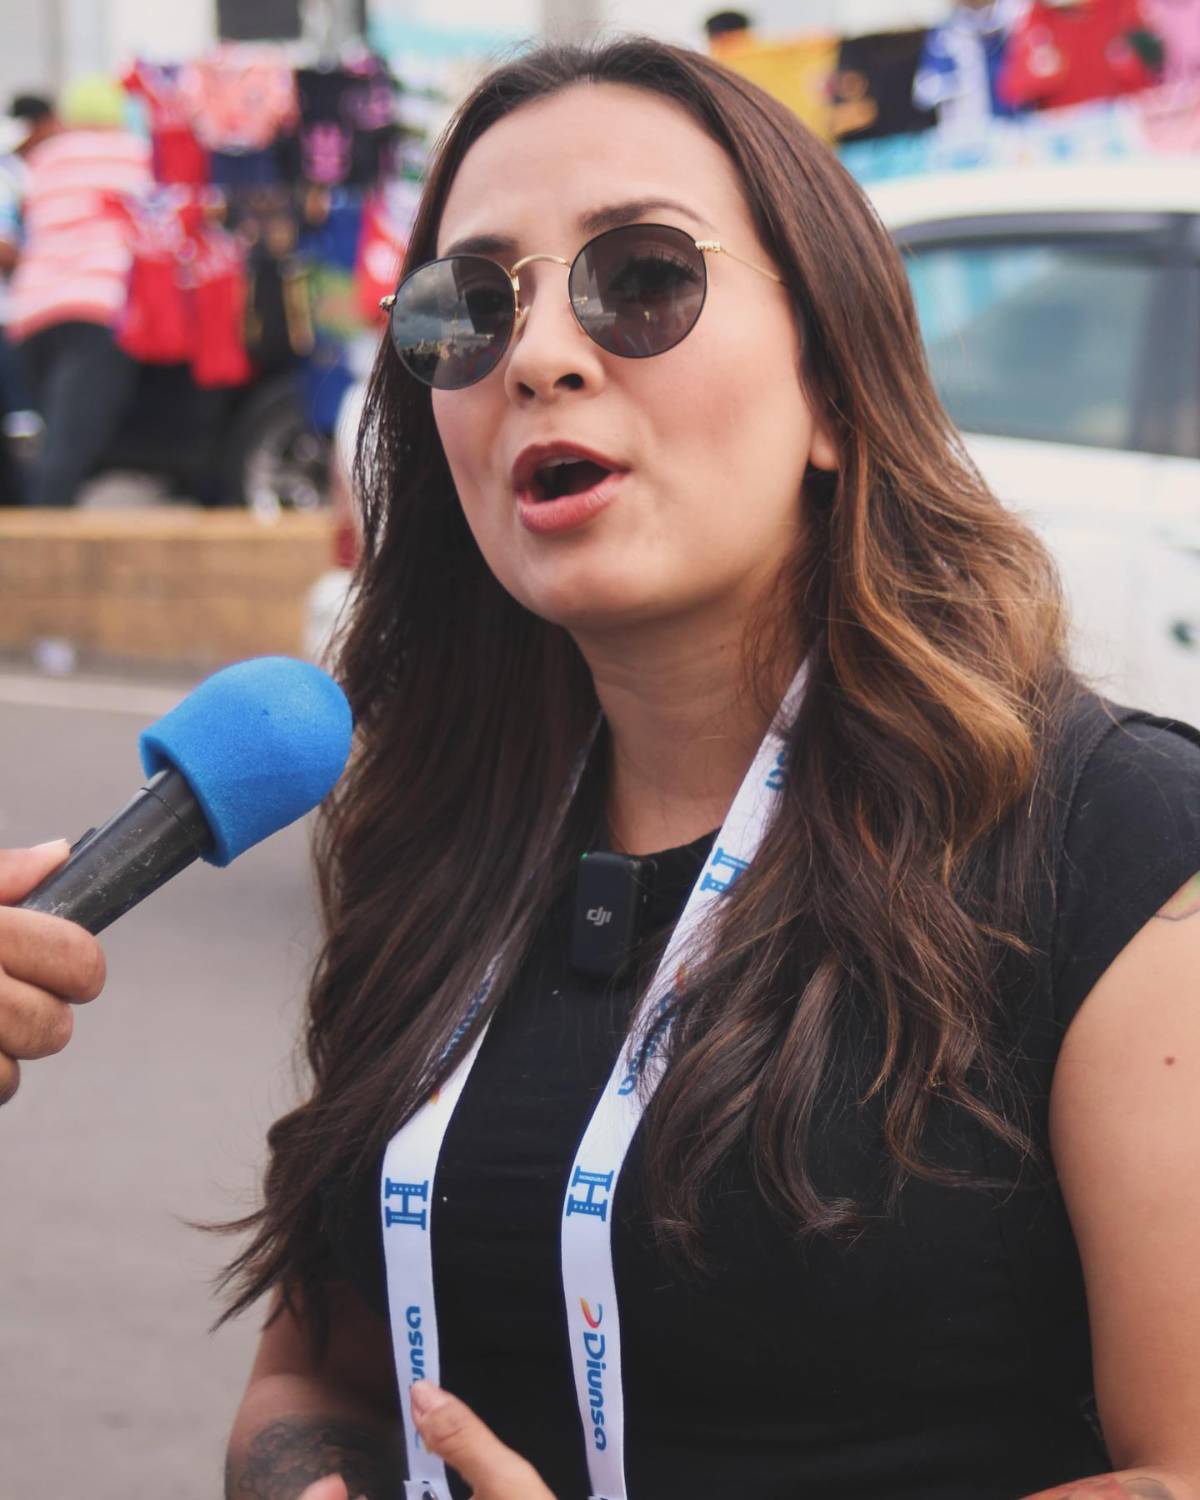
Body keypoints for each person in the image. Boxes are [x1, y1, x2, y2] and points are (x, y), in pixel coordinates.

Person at [4, 34, 1199, 1500]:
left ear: (835, 386)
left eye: (643, 278)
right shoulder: (435, 848)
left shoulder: (1114, 841)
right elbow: (316, 1379)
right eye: (468, 307)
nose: (544, 355)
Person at [5, 75, 151, 507]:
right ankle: (37, 557)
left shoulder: (43, 160)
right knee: (66, 449)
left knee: (49, 432)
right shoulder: (135, 155)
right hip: (97, 307)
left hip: (30, 315)